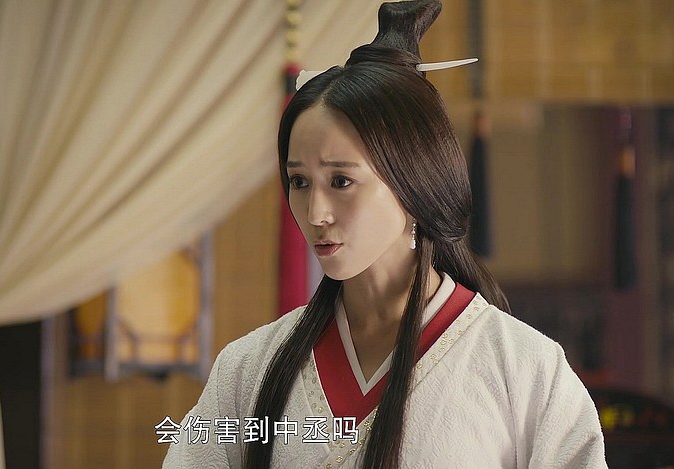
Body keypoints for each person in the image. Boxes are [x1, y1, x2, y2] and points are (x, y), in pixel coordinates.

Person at [163, 1, 607, 467]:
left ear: (413, 183)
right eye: (299, 181)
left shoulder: (524, 369)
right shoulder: (248, 368)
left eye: (341, 181)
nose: (315, 213)